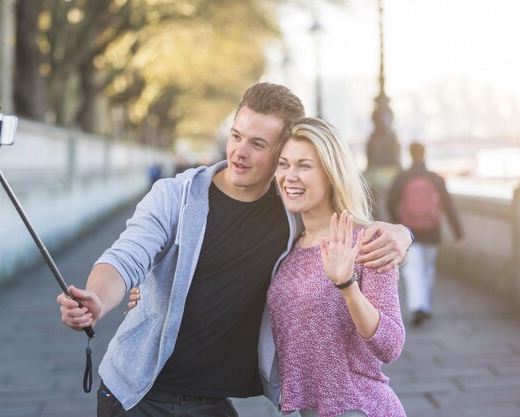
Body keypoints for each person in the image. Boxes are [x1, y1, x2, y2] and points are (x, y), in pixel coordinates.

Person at [57, 82, 413, 417]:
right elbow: (126, 257)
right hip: (136, 394)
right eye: (237, 136)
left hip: (214, 402)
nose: (240, 152)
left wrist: (402, 233)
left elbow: (340, 224)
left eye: (258, 144)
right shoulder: (173, 197)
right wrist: (99, 298)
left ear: (279, 152)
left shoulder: (291, 213)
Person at [267, 117, 406, 417]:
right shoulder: (287, 247)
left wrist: (347, 286)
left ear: (331, 173)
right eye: (283, 164)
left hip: (360, 408)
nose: (290, 176)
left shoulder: (366, 243)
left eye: (304, 166)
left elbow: (391, 345)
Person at [387, 141, 465, 326]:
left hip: (410, 233)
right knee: (427, 269)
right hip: (432, 232)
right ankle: (425, 306)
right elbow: (448, 206)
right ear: (424, 154)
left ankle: (418, 307)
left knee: (413, 270)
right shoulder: (435, 178)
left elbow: (390, 203)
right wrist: (459, 234)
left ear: (410, 154)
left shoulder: (403, 177)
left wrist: (398, 226)